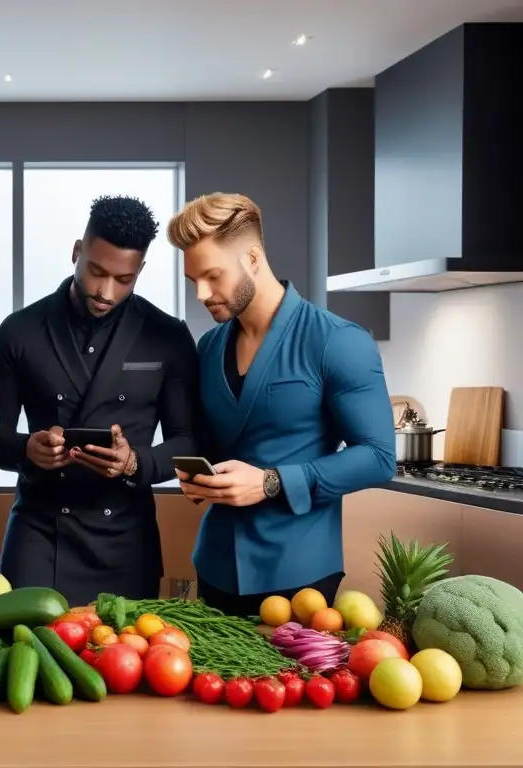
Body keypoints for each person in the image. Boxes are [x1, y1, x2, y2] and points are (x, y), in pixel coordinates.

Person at [167, 192, 396, 617]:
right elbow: (217, 446)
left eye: (213, 276)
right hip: (215, 567)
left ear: (252, 257)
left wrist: (270, 482)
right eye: (192, 280)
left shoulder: (338, 341)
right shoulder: (209, 346)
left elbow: (380, 457)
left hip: (299, 575)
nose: (201, 293)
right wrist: (200, 478)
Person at [0, 195, 202, 607]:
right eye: (96, 272)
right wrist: (28, 449)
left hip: (125, 542)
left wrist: (135, 462)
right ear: (77, 252)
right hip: (39, 537)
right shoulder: (18, 331)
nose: (106, 291)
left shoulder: (169, 336)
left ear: (140, 271)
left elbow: (189, 441)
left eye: (123, 279)